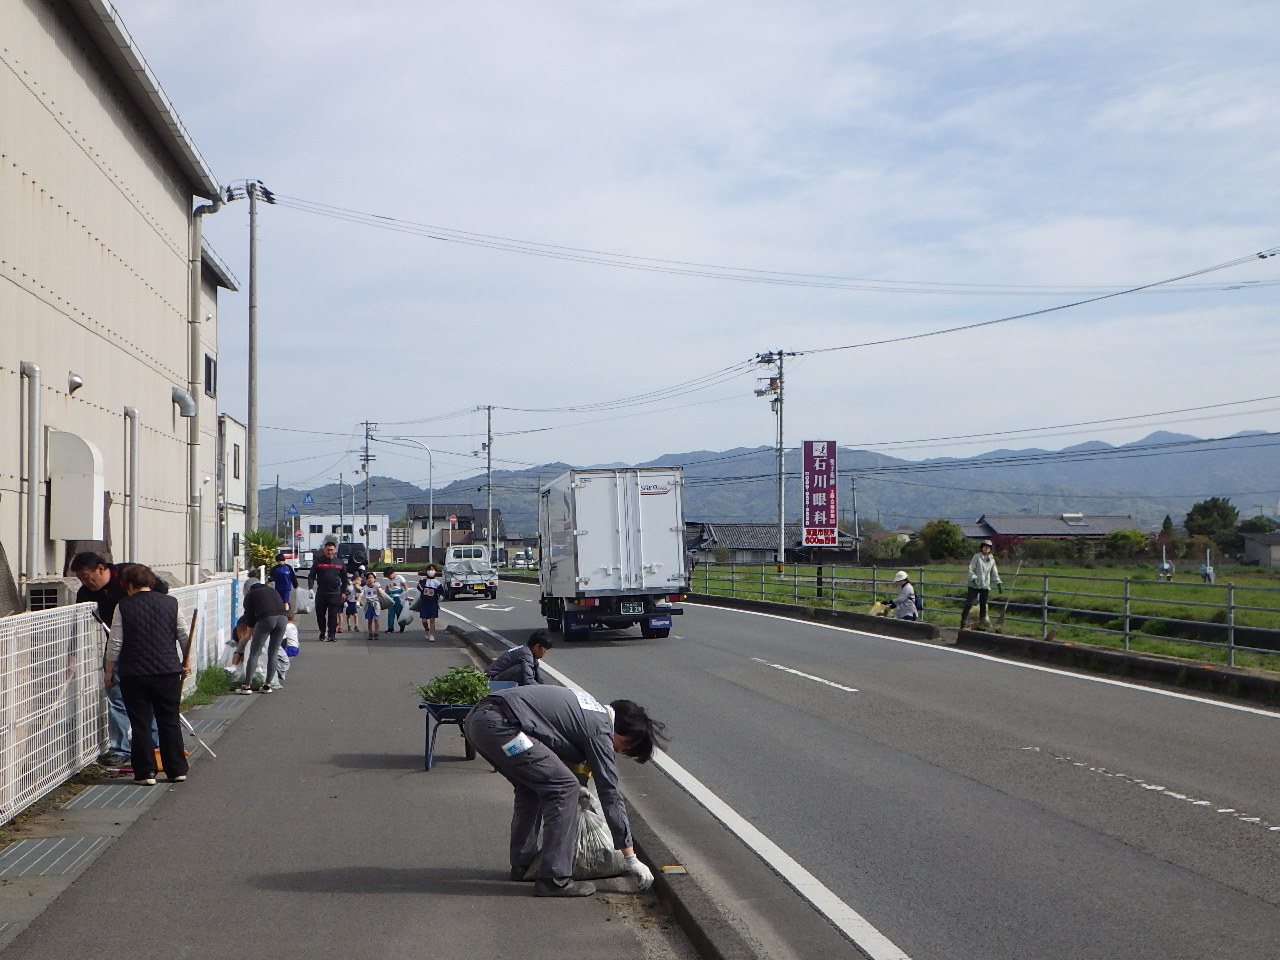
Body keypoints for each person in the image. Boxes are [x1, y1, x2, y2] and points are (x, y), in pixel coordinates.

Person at [463, 685, 664, 898]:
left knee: (530, 788)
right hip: (503, 727)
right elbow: (610, 792)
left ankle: (523, 864)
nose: (618, 750)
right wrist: (630, 856)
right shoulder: (600, 727)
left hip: (479, 722)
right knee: (564, 788)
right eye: (624, 744)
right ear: (621, 728)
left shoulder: (588, 709)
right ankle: (554, 878)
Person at [70, 551, 170, 767]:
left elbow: (162, 593)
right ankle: (120, 749)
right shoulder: (85, 593)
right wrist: (72, 655)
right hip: (114, 648)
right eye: (80, 578)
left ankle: (154, 747)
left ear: (101, 568)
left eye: (87, 576)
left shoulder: (128, 574)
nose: (86, 582)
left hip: (144, 649)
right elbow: (75, 627)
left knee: (148, 699)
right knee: (116, 698)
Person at [101, 564, 190, 786]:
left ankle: (145, 772)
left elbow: (116, 642)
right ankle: (177, 769)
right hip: (167, 670)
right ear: (150, 582)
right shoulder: (171, 603)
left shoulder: (124, 606)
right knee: (168, 719)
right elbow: (184, 634)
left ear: (129, 584)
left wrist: (109, 670)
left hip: (134, 673)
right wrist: (187, 662)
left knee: (140, 722)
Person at [231, 581, 289, 693]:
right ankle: (268, 685)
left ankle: (247, 686)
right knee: (273, 652)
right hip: (283, 619)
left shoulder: (250, 595)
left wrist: (250, 630)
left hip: (266, 619)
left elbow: (249, 616)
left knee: (254, 652)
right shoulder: (272, 590)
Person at [307, 542, 349, 642]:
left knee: (333, 615)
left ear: (335, 550)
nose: (330, 552)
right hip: (321, 593)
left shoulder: (339, 563)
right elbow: (311, 575)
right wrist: (310, 588)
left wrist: (343, 592)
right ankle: (322, 632)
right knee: (320, 615)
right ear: (324, 550)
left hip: (335, 594)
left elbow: (345, 579)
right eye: (328, 550)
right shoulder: (318, 561)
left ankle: (331, 635)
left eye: (331, 550)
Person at [960, 540, 1002, 629]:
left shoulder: (991, 560)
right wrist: (974, 579)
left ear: (990, 549)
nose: (986, 548)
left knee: (983, 605)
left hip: (985, 585)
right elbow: (971, 569)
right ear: (982, 547)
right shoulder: (977, 557)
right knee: (970, 603)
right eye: (985, 546)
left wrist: (998, 583)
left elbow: (994, 573)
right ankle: (964, 621)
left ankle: (982, 624)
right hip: (974, 585)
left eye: (988, 547)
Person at [486, 630, 553, 685]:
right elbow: (529, 680)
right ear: (537, 647)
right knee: (521, 669)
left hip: (497, 678)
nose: (544, 654)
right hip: (491, 681)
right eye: (544, 651)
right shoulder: (526, 654)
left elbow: (538, 678)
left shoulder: (529, 652)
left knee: (530, 668)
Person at [417, 565, 443, 642]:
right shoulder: (423, 580)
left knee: (432, 619)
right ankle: (427, 629)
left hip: (433, 602)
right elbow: (420, 588)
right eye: (429, 569)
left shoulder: (437, 583)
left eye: (432, 570)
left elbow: (441, 592)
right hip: (424, 602)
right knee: (424, 620)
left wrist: (440, 597)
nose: (431, 571)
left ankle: (432, 635)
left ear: (435, 571)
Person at [360, 572, 388, 639]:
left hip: (376, 603)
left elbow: (380, 594)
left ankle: (376, 633)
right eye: (369, 578)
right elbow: (360, 595)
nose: (370, 579)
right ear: (366, 579)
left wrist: (377, 588)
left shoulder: (377, 585)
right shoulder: (365, 587)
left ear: (374, 579)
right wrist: (358, 601)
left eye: (372, 578)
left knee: (376, 619)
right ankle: (370, 633)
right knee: (370, 620)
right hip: (369, 603)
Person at [384, 569, 407, 633]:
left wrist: (405, 595)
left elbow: (405, 587)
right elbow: (386, 589)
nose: (388, 577)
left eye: (388, 575)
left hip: (398, 598)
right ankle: (390, 628)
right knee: (390, 613)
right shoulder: (388, 580)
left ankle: (402, 626)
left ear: (392, 573)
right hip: (391, 598)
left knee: (399, 612)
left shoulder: (399, 578)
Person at [344, 565, 365, 634]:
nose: (359, 582)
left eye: (360, 581)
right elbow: (346, 593)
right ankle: (349, 625)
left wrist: (358, 601)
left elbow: (360, 594)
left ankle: (356, 626)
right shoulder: (350, 587)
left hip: (354, 602)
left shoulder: (360, 588)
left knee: (355, 614)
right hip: (349, 601)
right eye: (358, 580)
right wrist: (345, 601)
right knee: (348, 615)